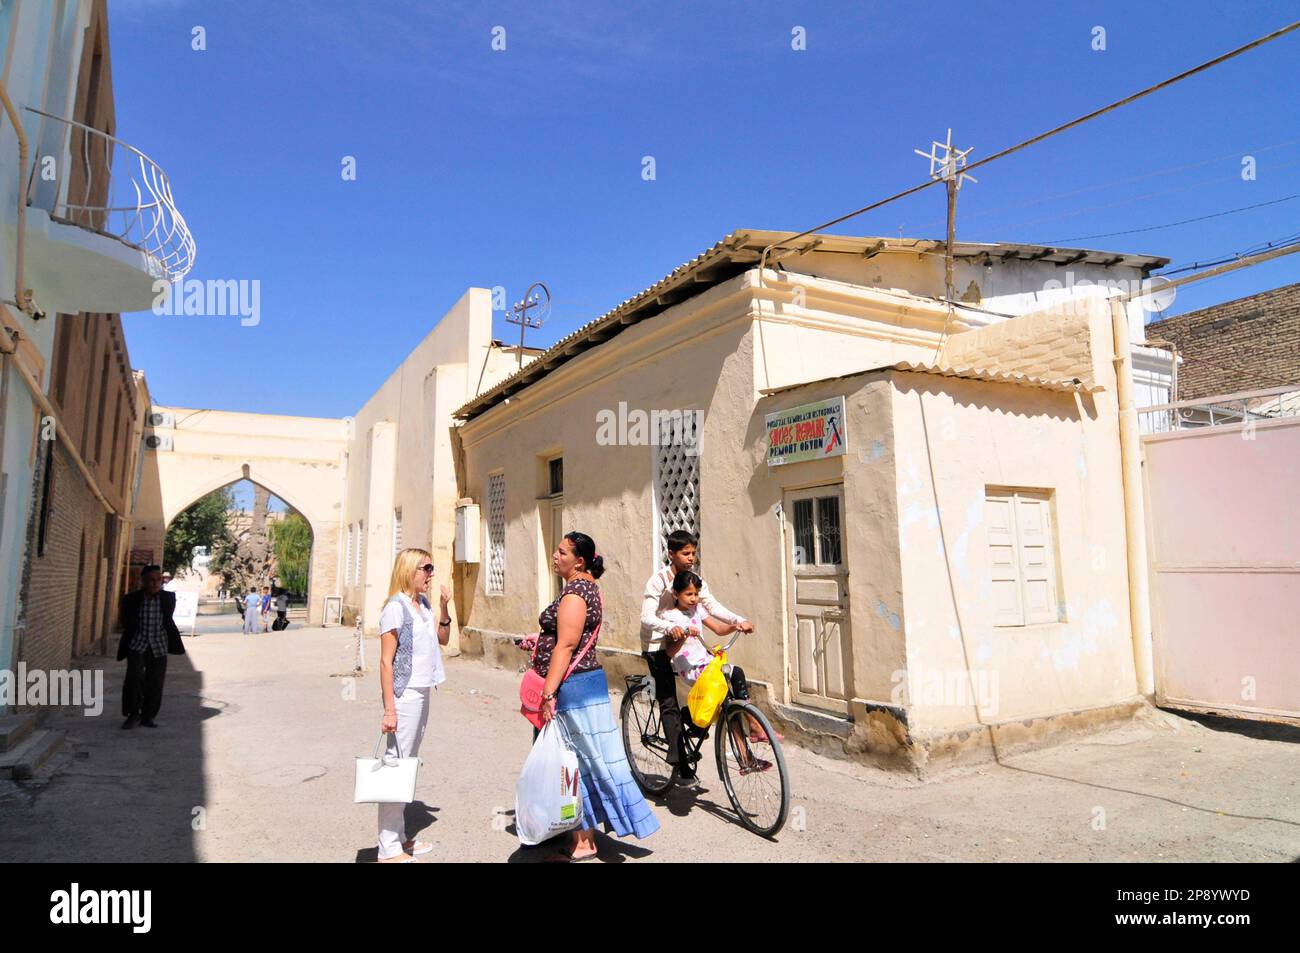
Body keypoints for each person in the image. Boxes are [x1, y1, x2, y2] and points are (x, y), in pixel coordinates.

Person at [535, 531, 659, 861]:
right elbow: (565, 635)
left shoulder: (576, 592)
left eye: (562, 552)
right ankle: (580, 832)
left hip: (573, 688)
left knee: (574, 762)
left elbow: (567, 644)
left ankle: (583, 840)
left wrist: (548, 693)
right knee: (588, 758)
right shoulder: (587, 586)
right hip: (583, 684)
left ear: (579, 561)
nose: (555, 555)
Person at [640, 530, 752, 783]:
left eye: (693, 552)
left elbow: (711, 607)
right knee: (668, 701)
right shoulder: (658, 581)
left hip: (686, 643)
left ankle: (693, 722)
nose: (691, 558)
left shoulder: (695, 582)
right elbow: (646, 617)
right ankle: (680, 764)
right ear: (671, 554)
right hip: (659, 643)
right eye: (685, 553)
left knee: (714, 689)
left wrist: (738, 621)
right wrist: (670, 628)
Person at [376, 548, 451, 864]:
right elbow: (385, 661)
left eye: (431, 568)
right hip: (405, 695)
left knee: (407, 763)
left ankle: (400, 838)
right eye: (426, 568)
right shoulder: (395, 608)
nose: (431, 574)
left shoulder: (423, 605)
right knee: (397, 764)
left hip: (423, 691)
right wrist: (389, 709)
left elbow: (443, 638)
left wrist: (444, 608)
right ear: (409, 570)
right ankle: (387, 849)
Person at [662, 571, 772, 771]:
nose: (694, 598)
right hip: (690, 668)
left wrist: (736, 626)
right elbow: (669, 651)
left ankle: (747, 736)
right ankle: (750, 729)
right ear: (676, 594)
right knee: (729, 680)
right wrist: (683, 635)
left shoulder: (697, 610)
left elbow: (719, 629)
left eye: (696, 594)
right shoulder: (670, 617)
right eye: (689, 594)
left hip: (706, 662)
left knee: (730, 699)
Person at [116, 565, 185, 729]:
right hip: (137, 645)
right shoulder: (131, 599)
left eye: (158, 580)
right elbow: (126, 621)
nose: (155, 584)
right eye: (151, 580)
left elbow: (167, 620)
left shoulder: (168, 598)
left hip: (159, 646)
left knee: (155, 683)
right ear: (143, 581)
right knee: (133, 679)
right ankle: (133, 714)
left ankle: (148, 716)